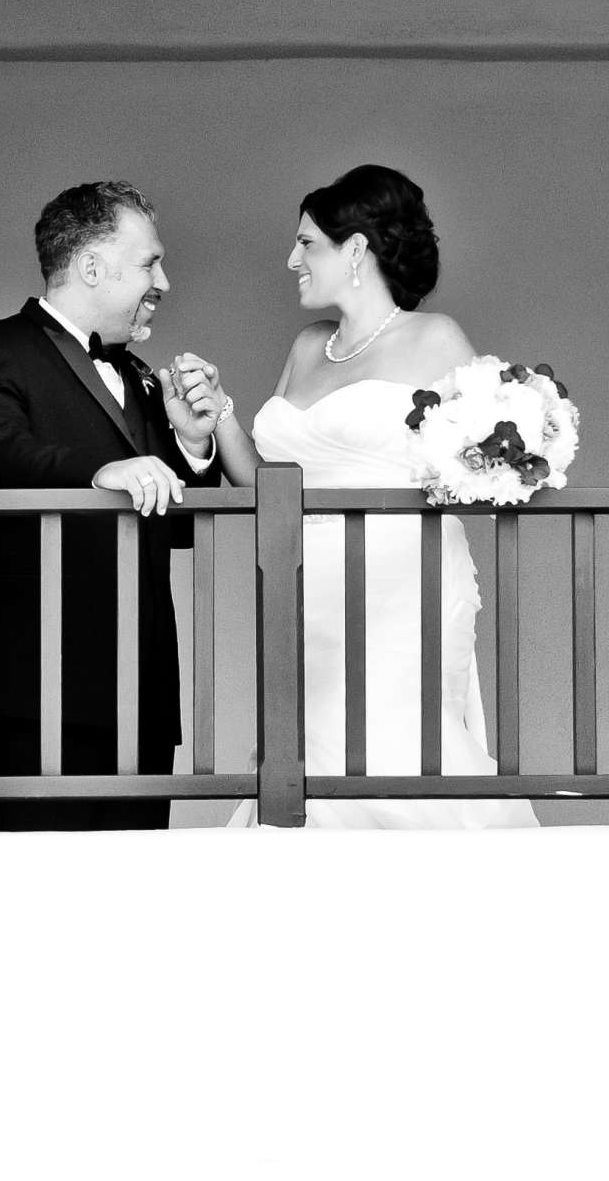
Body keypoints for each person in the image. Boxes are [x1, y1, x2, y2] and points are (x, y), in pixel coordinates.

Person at [171, 165, 538, 828]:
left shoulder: (437, 339)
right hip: (306, 596)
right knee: (304, 763)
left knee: (399, 751)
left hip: (403, 593)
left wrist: (516, 456)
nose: (291, 260)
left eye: (307, 244)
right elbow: (266, 485)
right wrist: (217, 410)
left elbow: (496, 455)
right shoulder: (308, 347)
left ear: (358, 251)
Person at [0, 182, 219, 831]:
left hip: (142, 690)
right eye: (150, 262)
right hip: (33, 686)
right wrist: (102, 470)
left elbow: (176, 529)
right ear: (93, 266)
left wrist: (193, 443)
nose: (166, 281)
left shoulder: (144, 377)